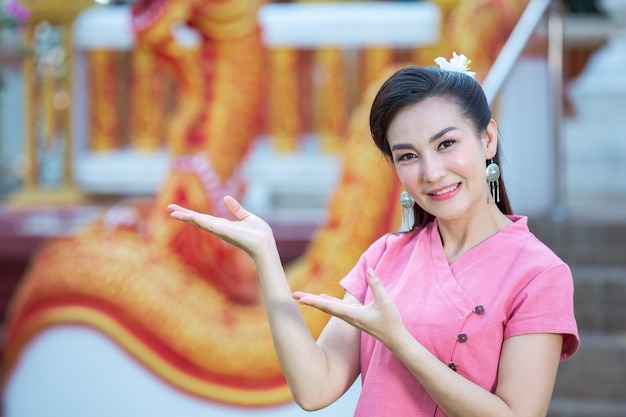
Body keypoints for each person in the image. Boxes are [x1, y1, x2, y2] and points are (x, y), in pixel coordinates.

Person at [167, 52, 579, 417]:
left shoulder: (539, 273)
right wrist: (266, 256)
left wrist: (399, 341)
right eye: (408, 156)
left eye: (446, 143)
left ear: (487, 139)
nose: (431, 173)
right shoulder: (384, 257)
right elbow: (315, 388)